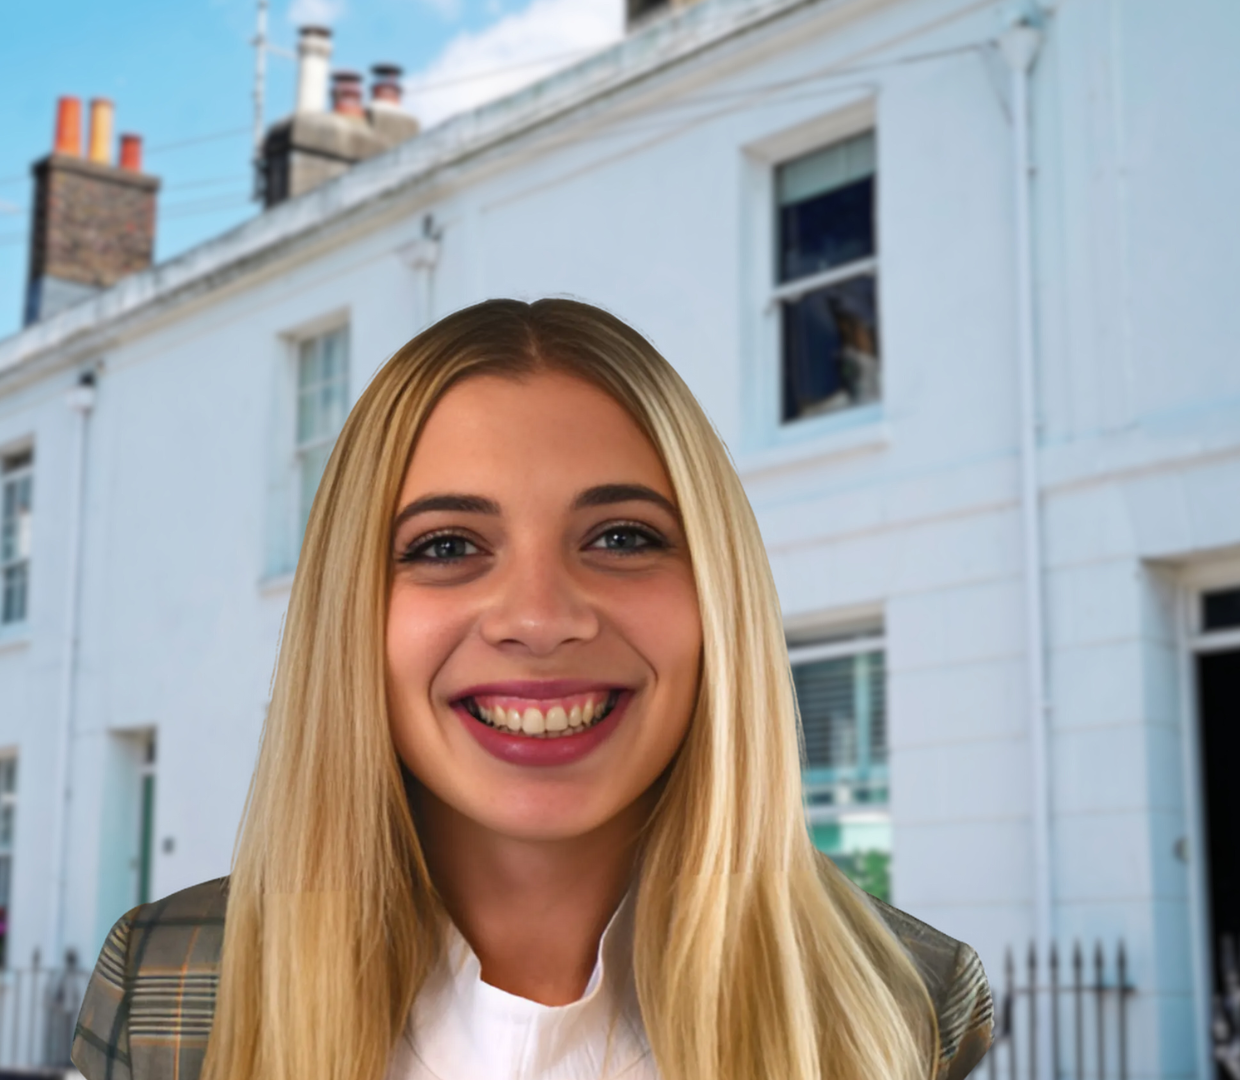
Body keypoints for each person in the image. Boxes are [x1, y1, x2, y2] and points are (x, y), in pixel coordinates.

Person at [70, 298, 992, 1080]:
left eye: (622, 537)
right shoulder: (162, 990)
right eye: (446, 546)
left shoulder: (916, 1002)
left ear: (721, 593)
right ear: (349, 610)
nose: (540, 618)